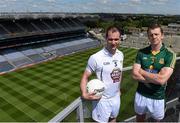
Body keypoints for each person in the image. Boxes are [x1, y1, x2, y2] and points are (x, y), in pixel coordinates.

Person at [132, 22, 176, 122]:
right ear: (148, 36)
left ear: (162, 36)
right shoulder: (141, 52)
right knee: (139, 119)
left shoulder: (169, 54)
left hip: (158, 97)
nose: (154, 37)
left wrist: (142, 72)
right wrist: (155, 78)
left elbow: (161, 80)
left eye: (156, 34)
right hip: (141, 94)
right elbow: (134, 75)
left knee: (157, 121)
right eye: (151, 35)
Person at [80, 26, 124, 122]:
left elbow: (119, 74)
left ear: (120, 39)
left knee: (113, 119)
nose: (113, 42)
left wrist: (118, 89)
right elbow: (85, 77)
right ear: (106, 38)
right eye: (110, 39)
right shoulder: (96, 57)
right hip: (102, 100)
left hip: (116, 98)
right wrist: (84, 94)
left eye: (116, 39)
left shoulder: (120, 54)